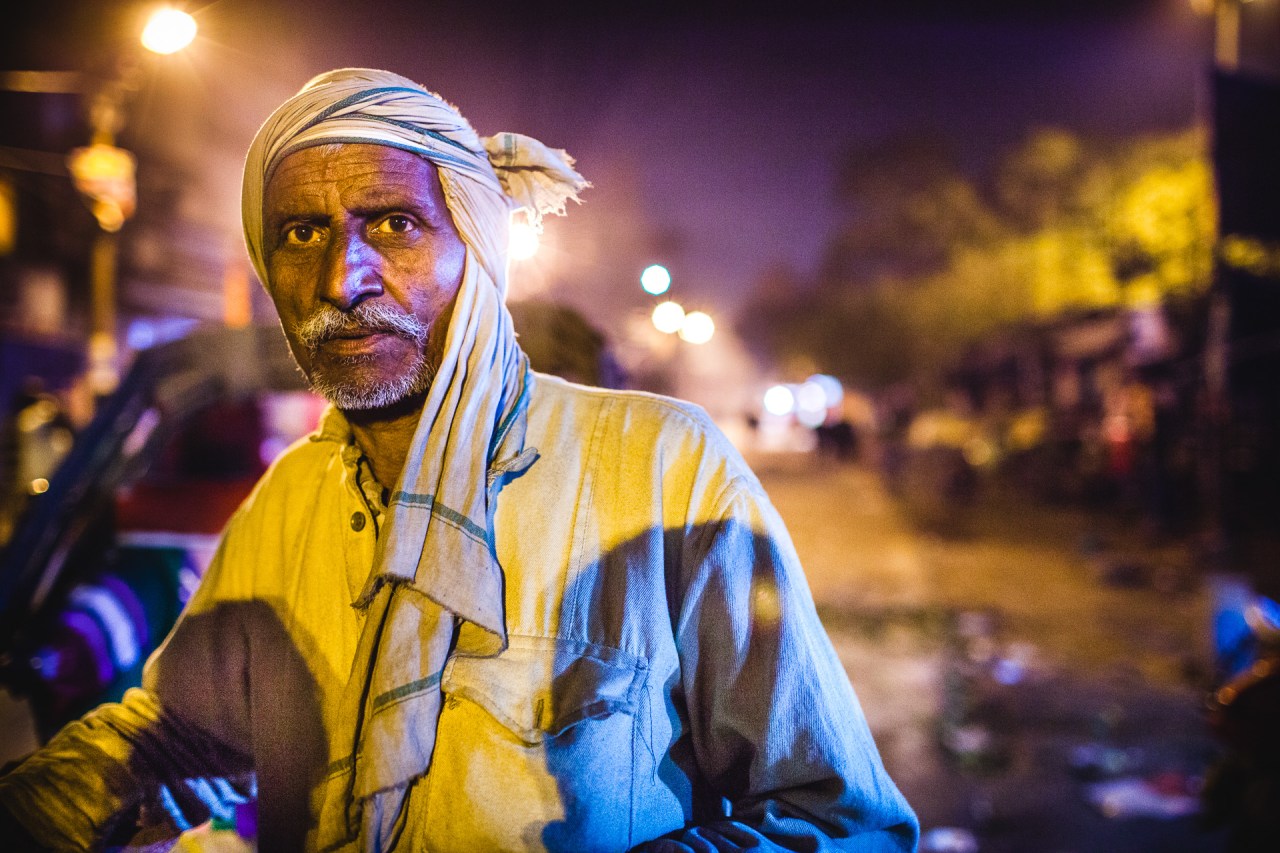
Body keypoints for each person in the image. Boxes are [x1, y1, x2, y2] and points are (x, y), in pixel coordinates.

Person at [0, 68, 917, 852]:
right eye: (301, 233)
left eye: (394, 224)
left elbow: (842, 820)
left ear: (474, 250)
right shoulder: (292, 498)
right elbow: (172, 740)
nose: (342, 279)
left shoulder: (663, 468)